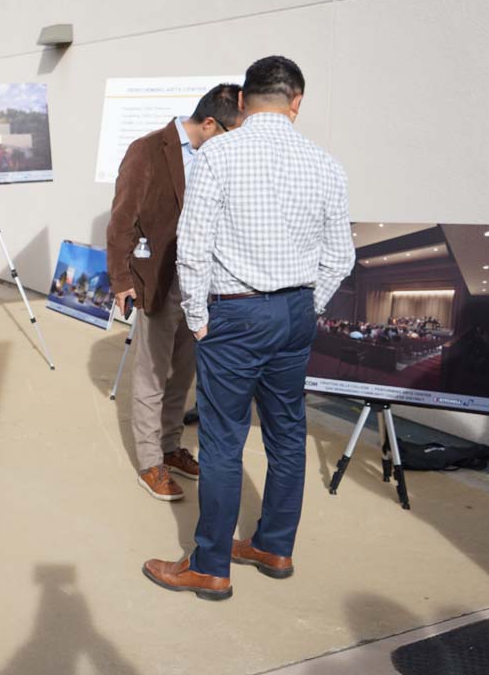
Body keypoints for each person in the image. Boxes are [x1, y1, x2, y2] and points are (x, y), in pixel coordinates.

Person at [143, 56, 355, 600]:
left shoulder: (216, 155)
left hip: (235, 315)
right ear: (297, 102)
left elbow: (192, 250)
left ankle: (211, 565)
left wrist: (198, 318)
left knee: (221, 441)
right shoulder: (326, 164)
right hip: (295, 314)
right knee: (287, 435)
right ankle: (274, 546)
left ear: (241, 101)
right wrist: (310, 305)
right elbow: (341, 258)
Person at [106, 84, 240, 502]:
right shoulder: (148, 150)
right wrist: (122, 281)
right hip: (159, 278)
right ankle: (150, 462)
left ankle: (169, 444)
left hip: (203, 281)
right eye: (229, 133)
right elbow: (122, 219)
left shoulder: (219, 157)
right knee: (151, 372)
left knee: (183, 370)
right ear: (208, 124)